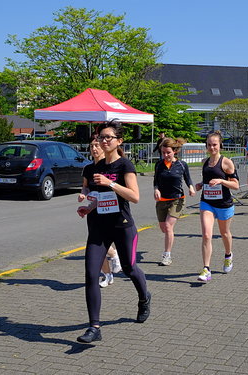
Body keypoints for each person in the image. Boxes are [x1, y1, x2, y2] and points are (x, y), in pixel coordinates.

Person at [76, 121, 151, 343]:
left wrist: (111, 184)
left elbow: (135, 196)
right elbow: (98, 198)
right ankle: (94, 327)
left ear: (119, 141)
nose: (103, 141)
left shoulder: (124, 166)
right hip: (98, 227)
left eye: (108, 137)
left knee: (129, 267)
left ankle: (144, 297)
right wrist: (87, 207)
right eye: (101, 137)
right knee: (91, 275)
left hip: (122, 225)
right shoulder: (93, 168)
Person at [195, 131, 239, 282]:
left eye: (214, 144)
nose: (212, 147)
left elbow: (236, 185)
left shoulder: (226, 163)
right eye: (209, 145)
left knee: (224, 233)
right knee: (207, 235)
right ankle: (206, 269)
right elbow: (207, 180)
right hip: (207, 202)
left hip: (224, 204)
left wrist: (221, 181)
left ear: (220, 145)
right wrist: (201, 185)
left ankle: (228, 255)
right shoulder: (205, 162)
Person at [78, 134, 122, 288]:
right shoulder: (88, 168)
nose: (94, 149)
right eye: (91, 146)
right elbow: (86, 185)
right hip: (93, 211)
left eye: (97, 145)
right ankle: (107, 275)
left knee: (103, 243)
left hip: (109, 210)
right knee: (96, 245)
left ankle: (114, 254)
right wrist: (84, 193)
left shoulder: (109, 167)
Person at [153, 137, 195, 266]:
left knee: (168, 226)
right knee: (163, 228)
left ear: (175, 151)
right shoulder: (159, 164)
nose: (165, 155)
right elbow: (156, 180)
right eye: (163, 153)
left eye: (168, 153)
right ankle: (169, 240)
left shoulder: (182, 164)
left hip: (177, 199)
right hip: (162, 200)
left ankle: (167, 255)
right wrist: (156, 189)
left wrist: (191, 188)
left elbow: (188, 179)